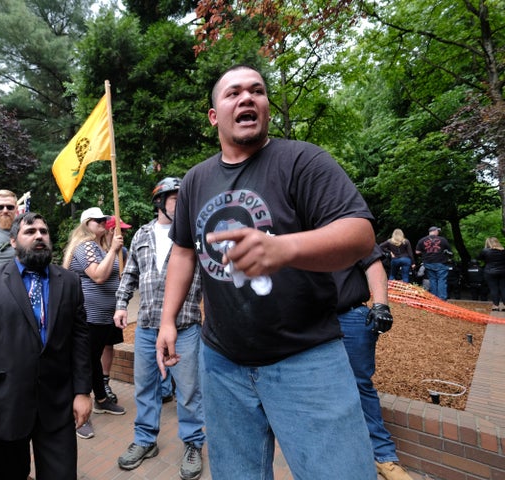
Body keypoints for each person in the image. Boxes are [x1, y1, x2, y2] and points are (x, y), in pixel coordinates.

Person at [156, 65, 377, 479]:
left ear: (266, 108)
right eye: (233, 93)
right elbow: (184, 253)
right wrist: (168, 319)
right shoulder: (194, 181)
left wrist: (283, 248)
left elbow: (360, 233)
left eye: (257, 91)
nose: (247, 98)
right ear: (213, 115)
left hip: (307, 360)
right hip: (221, 363)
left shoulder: (303, 160)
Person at [0, 212, 91, 479]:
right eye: (30, 232)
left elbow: (80, 339)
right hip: (4, 406)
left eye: (44, 231)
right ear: (13, 241)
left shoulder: (70, 282)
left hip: (57, 406)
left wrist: (83, 391)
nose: (39, 235)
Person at [114, 177, 206, 480]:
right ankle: (145, 440)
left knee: (189, 390)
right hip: (147, 328)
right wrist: (121, 304)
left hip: (186, 327)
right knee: (145, 387)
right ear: (159, 202)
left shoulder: (195, 233)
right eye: (175, 198)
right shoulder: (141, 234)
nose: (181, 203)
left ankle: (193, 443)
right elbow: (130, 274)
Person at [333, 246, 414, 480]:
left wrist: (381, 304)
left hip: (349, 315)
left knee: (360, 385)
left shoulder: (346, 223)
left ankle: (384, 456)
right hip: (308, 321)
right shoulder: (291, 228)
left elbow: (372, 263)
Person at [62, 206, 126, 439]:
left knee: (93, 359)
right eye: (97, 219)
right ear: (85, 223)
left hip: (103, 318)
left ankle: (100, 399)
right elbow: (98, 276)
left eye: (104, 219)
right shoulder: (86, 246)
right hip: (86, 317)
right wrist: (113, 250)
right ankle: (77, 413)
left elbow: (118, 275)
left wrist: (113, 248)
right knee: (83, 363)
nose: (103, 222)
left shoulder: (101, 247)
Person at [101, 214, 131, 404]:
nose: (124, 235)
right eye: (122, 231)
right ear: (112, 230)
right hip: (95, 309)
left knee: (108, 345)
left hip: (114, 306)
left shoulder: (124, 251)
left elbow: (127, 277)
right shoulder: (95, 250)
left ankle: (105, 382)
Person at [415, 226, 452, 300]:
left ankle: (434, 298)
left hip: (428, 263)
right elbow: (449, 250)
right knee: (442, 280)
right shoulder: (442, 240)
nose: (438, 232)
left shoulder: (422, 240)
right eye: (438, 231)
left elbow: (417, 252)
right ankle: (442, 298)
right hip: (441, 262)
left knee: (432, 280)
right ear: (435, 231)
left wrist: (425, 252)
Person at [477, 237, 505, 311]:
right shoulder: (503, 251)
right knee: (503, 288)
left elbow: (479, 258)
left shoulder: (485, 251)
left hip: (490, 272)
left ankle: (496, 306)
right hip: (503, 271)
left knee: (494, 288)